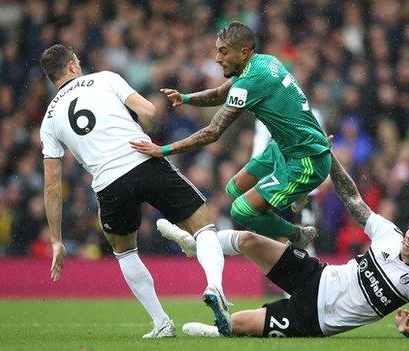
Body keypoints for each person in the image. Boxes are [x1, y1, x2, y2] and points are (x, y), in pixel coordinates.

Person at [38, 44, 230, 338]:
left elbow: (52, 185)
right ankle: (214, 285)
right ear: (73, 67)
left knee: (125, 251)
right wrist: (145, 129)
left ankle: (161, 322)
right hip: (143, 160)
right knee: (203, 226)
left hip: (109, 184)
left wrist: (56, 240)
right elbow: (149, 111)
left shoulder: (49, 119)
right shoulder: (105, 79)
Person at [161, 155, 409, 338]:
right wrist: (329, 157)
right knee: (248, 239)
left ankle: (213, 332)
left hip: (315, 320)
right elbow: (354, 202)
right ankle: (196, 244)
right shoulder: (390, 235)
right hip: (318, 276)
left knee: (234, 324)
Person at [130, 21, 332, 249]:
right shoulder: (263, 62)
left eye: (223, 51)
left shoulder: (251, 81)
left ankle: (296, 234)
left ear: (243, 52)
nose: (217, 58)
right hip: (284, 149)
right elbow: (219, 94)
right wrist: (186, 98)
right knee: (233, 188)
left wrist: (164, 150)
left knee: (241, 210)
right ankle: (293, 195)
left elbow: (214, 131)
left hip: (305, 161)